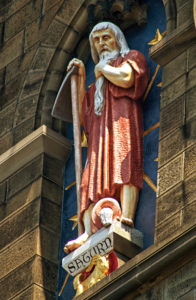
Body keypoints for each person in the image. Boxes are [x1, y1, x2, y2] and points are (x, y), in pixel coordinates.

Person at [64, 22, 149, 253]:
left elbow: (127, 78)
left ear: (117, 39)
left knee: (125, 167)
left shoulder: (131, 57)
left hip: (122, 125)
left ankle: (127, 217)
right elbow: (85, 115)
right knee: (90, 178)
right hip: (100, 137)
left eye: (106, 38)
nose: (102, 44)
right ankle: (88, 232)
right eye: (97, 40)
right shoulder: (96, 82)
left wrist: (102, 70)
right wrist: (82, 79)